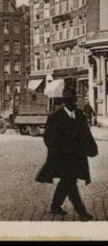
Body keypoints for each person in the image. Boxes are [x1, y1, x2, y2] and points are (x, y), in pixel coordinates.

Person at [36, 88, 97, 221]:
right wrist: (57, 150)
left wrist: (92, 148)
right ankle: (82, 212)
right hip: (61, 158)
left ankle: (55, 205)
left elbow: (86, 134)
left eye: (74, 100)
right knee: (70, 182)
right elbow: (48, 138)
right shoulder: (55, 117)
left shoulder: (79, 114)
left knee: (66, 181)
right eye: (71, 101)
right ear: (65, 102)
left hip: (76, 157)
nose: (74, 103)